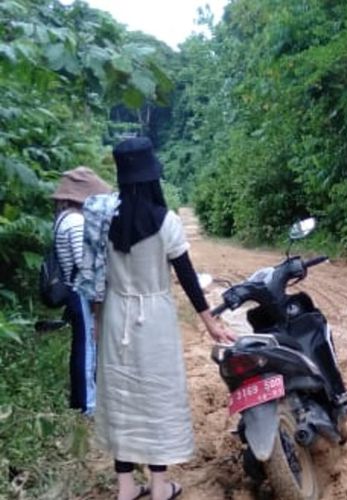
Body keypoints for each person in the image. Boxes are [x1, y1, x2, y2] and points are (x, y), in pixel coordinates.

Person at [89, 137, 236, 500]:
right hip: (153, 318)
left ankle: (125, 488)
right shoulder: (165, 221)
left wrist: (96, 322)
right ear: (153, 176)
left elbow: (95, 277)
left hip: (115, 316)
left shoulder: (103, 219)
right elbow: (187, 276)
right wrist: (210, 322)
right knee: (156, 396)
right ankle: (159, 486)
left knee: (122, 395)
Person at [51, 166, 111, 416]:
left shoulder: (64, 218)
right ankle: (87, 405)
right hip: (80, 291)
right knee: (87, 348)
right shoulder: (76, 221)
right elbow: (83, 261)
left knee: (83, 345)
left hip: (74, 290)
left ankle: (82, 400)